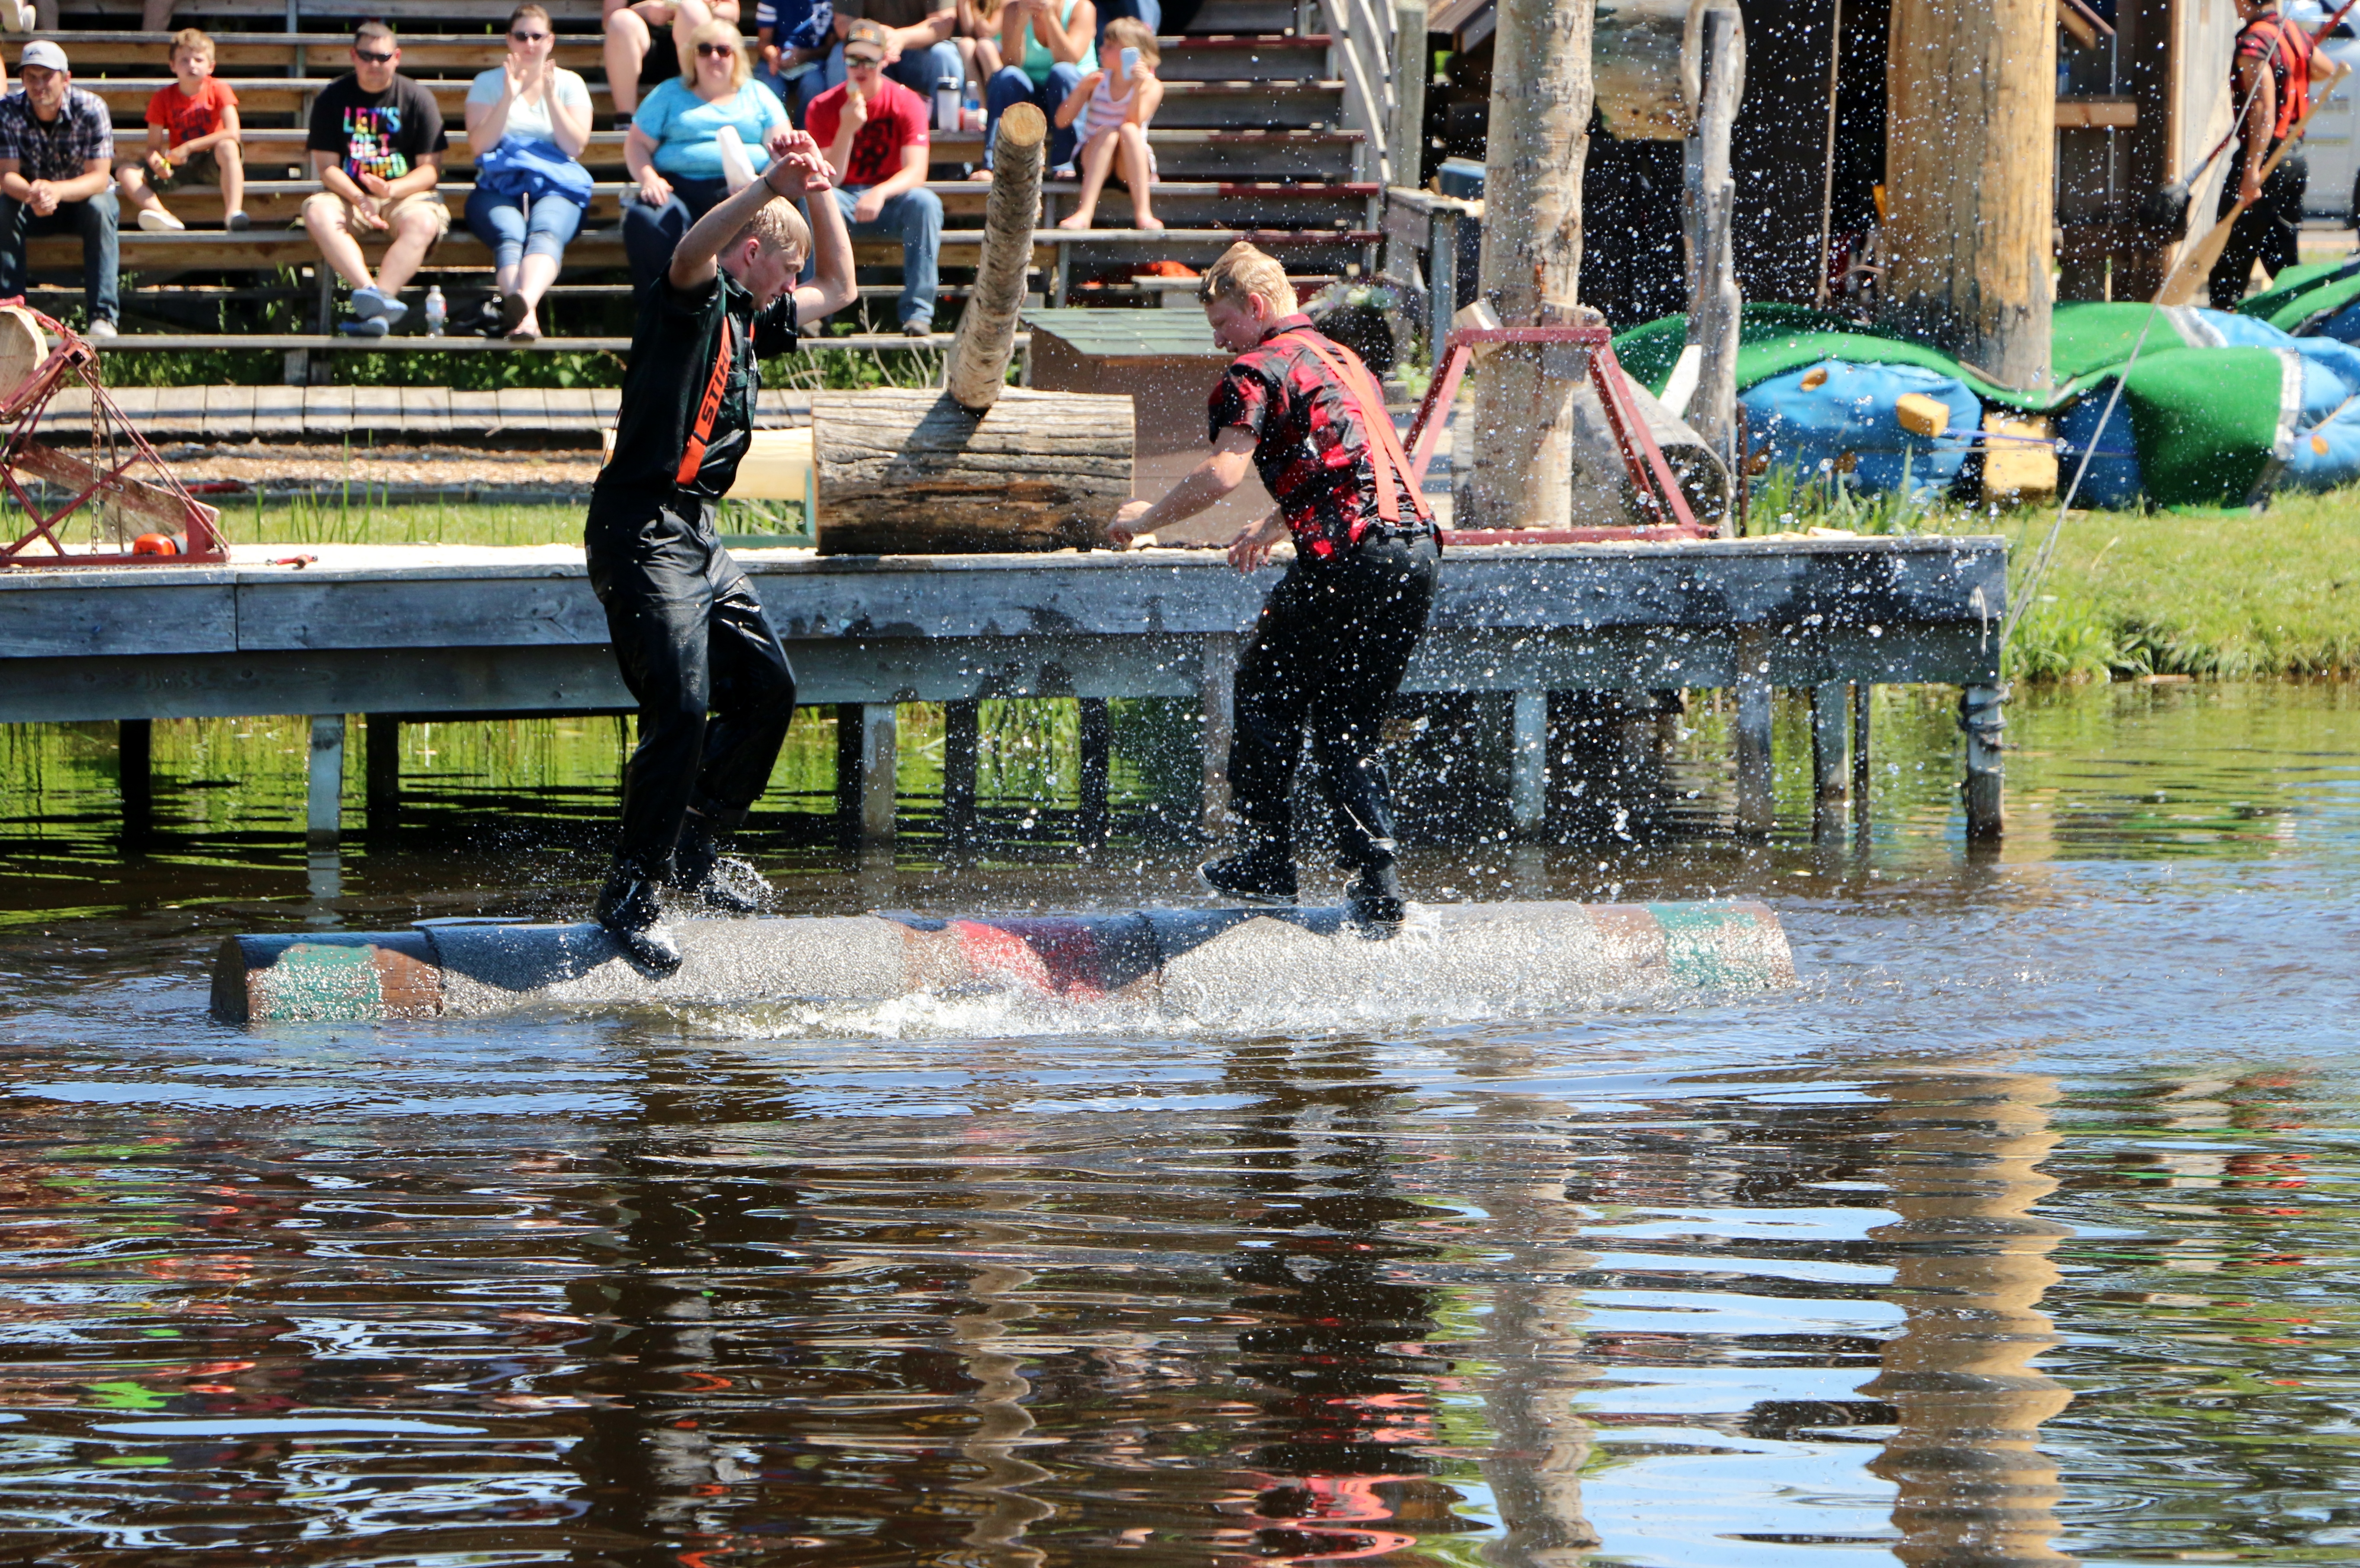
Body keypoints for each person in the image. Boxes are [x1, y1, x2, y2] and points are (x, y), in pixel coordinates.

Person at [586, 128, 857, 973]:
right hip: (640, 526)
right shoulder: (696, 292)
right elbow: (692, 245)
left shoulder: (752, 314)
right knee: (680, 705)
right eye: (787, 266)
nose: (796, 285)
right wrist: (764, 186)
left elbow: (843, 287)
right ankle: (632, 890)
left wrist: (813, 187)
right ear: (751, 252)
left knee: (768, 690)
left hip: (698, 534)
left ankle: (695, 853)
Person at [1108, 243, 1436, 929]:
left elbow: (1224, 471)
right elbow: (1355, 465)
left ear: (1255, 309)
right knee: (1349, 725)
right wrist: (1274, 522)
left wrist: (1147, 518)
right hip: (1415, 553)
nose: (1219, 340)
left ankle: (1264, 861)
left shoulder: (1254, 369)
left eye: (1221, 323)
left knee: (1264, 690)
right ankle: (1379, 889)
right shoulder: (1346, 362)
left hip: (1349, 558)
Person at [301, 22, 449, 337]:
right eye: (366, 56)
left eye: (382, 57)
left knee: (424, 224)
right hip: (349, 194)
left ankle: (378, 303)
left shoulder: (418, 98)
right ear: (354, 56)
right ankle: (371, 294)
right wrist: (359, 197)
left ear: (396, 57)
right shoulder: (332, 98)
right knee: (317, 212)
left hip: (405, 194)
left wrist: (392, 188)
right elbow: (326, 167)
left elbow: (430, 171)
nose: (374, 65)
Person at [622, 18, 793, 292]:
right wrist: (649, 179)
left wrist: (763, 185)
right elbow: (636, 145)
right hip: (678, 190)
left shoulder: (759, 95)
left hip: (746, 190)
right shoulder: (668, 93)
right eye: (704, 50)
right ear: (693, 56)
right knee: (646, 220)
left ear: (736, 56)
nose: (714, 57)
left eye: (723, 50)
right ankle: (661, 311)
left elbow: (782, 151)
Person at [465, 4, 593, 341]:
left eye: (538, 36)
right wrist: (508, 96)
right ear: (509, 40)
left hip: (556, 184)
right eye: (522, 35)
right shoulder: (488, 83)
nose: (530, 43)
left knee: (546, 230)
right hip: (498, 182)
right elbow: (480, 145)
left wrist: (551, 97)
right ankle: (527, 320)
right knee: (510, 233)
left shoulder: (570, 84)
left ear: (551, 41)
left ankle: (524, 311)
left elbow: (574, 147)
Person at [804, 18, 940, 333]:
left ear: (884, 60)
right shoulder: (822, 106)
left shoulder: (908, 102)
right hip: (843, 198)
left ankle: (918, 314)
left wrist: (880, 192)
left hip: (891, 200)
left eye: (868, 59)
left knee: (926, 202)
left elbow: (917, 171)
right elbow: (830, 180)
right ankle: (813, 311)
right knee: (814, 198)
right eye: (853, 59)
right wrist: (847, 130)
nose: (860, 68)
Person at [2209, 0, 2337, 310]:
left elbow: (2264, 110)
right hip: (2294, 161)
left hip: (2265, 162)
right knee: (2281, 258)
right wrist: (2295, 63)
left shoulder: (2254, 42)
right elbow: (2326, 69)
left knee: (2230, 261)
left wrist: (2251, 171)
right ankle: (2304, 320)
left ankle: (2222, 331)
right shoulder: (2292, 33)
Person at [0, 41, 116, 338]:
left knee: (102, 207)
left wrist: (57, 191)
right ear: (22, 79)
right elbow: (7, 175)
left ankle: (103, 316)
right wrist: (33, 194)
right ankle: (10, 312)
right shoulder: (7, 111)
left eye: (47, 76)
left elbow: (100, 178)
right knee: (3, 207)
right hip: (32, 201)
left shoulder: (92, 109)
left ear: (66, 78)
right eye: (31, 77)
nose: (39, 85)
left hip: (81, 201)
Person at [116, 28, 244, 234]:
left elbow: (233, 133)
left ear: (211, 67)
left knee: (229, 147)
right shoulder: (162, 98)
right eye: (184, 60)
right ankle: (163, 216)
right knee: (125, 172)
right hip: (179, 165)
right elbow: (152, 148)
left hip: (213, 161)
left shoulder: (219, 89)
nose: (191, 65)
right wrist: (157, 163)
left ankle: (233, 214)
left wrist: (189, 147)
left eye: (198, 60)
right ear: (172, 66)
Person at [1052, 15, 1159, 230]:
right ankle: (1084, 213)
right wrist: (1081, 90)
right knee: (1109, 133)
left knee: (1128, 130)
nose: (1101, 49)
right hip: (1093, 161)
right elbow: (1061, 121)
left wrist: (1136, 88)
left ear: (1131, 52)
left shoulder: (1151, 86)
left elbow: (1133, 122)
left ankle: (1144, 213)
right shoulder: (1097, 81)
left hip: (1127, 168)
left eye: (1110, 46)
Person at [977, 0, 1093, 175]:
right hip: (1031, 95)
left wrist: (1050, 17)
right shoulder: (1012, 10)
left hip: (1071, 96)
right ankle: (994, 165)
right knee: (1006, 78)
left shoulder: (1082, 8)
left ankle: (1066, 164)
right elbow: (1011, 62)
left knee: (1062, 72)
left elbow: (1069, 58)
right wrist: (1021, 20)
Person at [605, 0, 741, 120]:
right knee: (621, 21)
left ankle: (699, 110)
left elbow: (733, 12)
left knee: (691, 9)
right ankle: (626, 119)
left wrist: (706, 7)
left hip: (695, 48)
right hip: (641, 49)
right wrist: (644, 10)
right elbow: (608, 19)